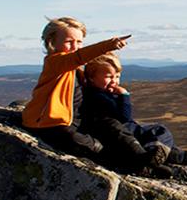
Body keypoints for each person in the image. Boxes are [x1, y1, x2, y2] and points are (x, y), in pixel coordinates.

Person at [20, 17, 129, 158]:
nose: (75, 46)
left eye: (79, 42)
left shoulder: (75, 70)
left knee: (111, 127)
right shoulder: (55, 62)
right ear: (51, 42)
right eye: (69, 42)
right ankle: (118, 159)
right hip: (49, 123)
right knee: (78, 141)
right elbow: (79, 57)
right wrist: (109, 44)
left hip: (73, 121)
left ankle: (143, 158)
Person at [80, 52, 187, 175]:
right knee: (159, 130)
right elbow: (124, 117)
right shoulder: (97, 96)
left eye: (117, 76)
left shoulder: (100, 93)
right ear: (91, 78)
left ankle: (170, 155)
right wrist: (124, 95)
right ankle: (164, 156)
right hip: (123, 134)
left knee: (154, 133)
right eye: (109, 77)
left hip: (125, 132)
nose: (114, 81)